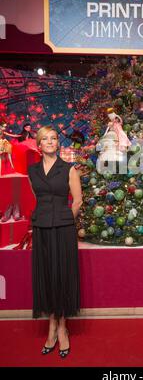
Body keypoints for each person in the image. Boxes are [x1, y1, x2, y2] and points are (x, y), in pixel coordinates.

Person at [28, 125, 83, 358]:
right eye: (45, 139)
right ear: (39, 145)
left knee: (62, 277)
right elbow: (37, 198)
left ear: (58, 143)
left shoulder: (69, 169)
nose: (50, 142)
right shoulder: (32, 171)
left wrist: (62, 221)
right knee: (48, 278)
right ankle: (51, 326)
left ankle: (61, 329)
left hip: (63, 230)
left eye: (53, 138)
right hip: (41, 229)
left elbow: (78, 201)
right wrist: (46, 219)